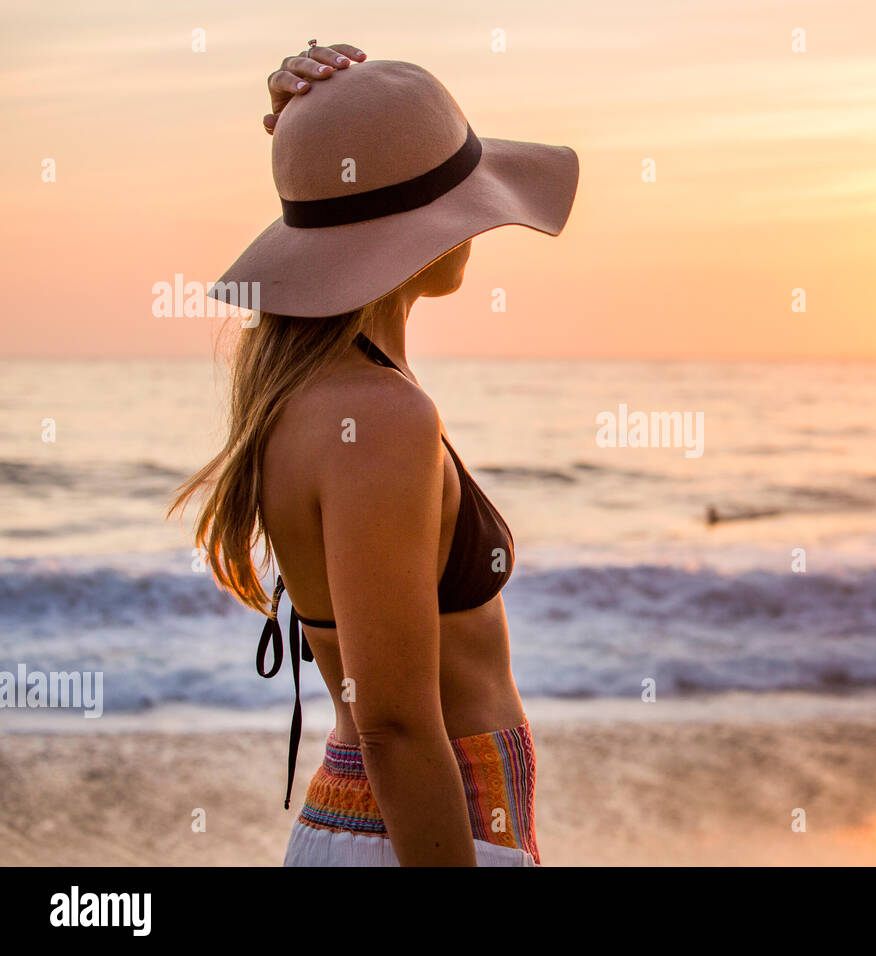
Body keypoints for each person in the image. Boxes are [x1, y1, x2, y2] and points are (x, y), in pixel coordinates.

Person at [171, 43, 579, 866]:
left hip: (384, 830)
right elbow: (395, 726)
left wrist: (329, 128)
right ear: (417, 232)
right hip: (423, 833)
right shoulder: (379, 415)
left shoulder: (317, 393)